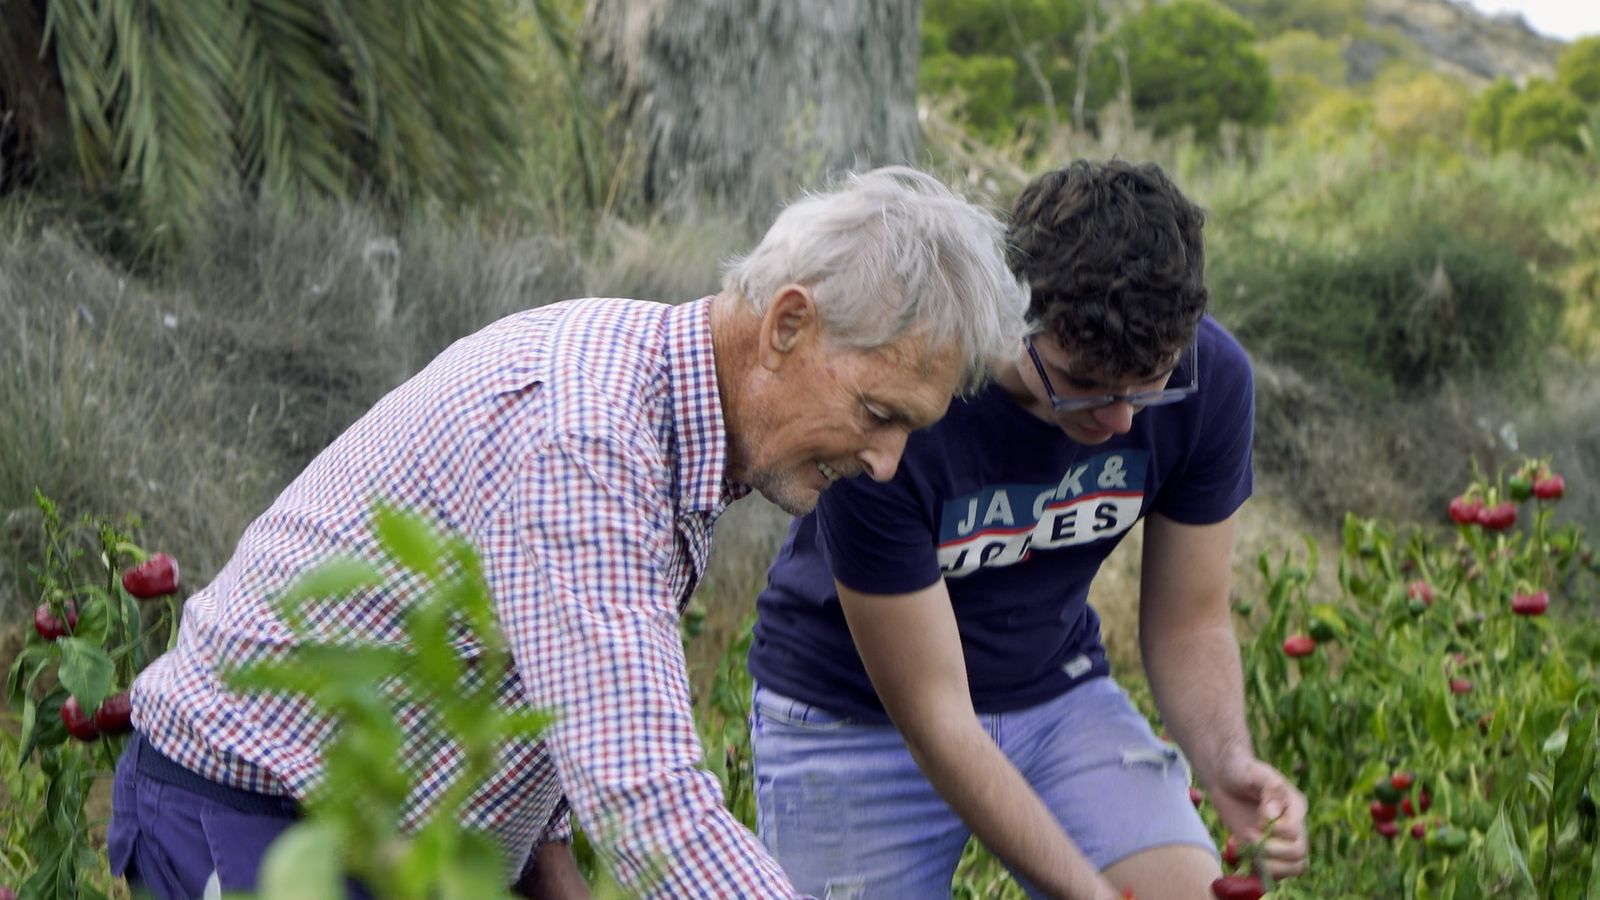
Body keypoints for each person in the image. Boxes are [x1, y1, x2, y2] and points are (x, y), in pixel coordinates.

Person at [108, 166, 1029, 899]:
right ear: (789, 322)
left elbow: (536, 690)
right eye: (877, 412)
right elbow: (647, 796)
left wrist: (552, 873)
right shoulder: (588, 440)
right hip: (247, 816)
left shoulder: (671, 413)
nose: (885, 462)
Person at [747, 160, 1310, 900]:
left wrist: (1227, 756)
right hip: (857, 713)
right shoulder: (905, 403)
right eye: (1081, 384)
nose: (1118, 422)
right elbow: (937, 718)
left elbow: (1190, 622)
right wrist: (1088, 891)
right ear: (1015, 318)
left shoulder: (1214, 382)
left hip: (1055, 696)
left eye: (1150, 386)